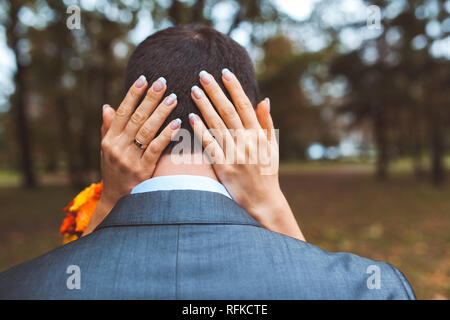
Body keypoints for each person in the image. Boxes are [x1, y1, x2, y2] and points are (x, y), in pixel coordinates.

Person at [0, 25, 415, 299]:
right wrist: (273, 206)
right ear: (260, 128)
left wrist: (109, 204)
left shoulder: (20, 288)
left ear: (115, 126)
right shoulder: (368, 289)